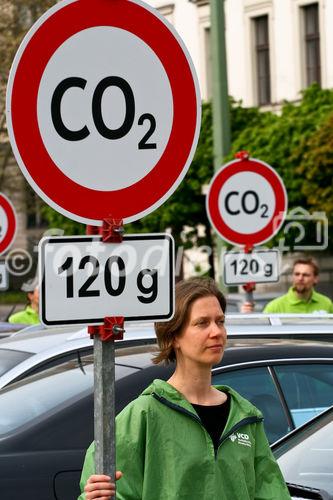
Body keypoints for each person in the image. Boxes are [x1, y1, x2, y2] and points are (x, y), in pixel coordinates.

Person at [79, 277, 291, 499]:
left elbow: (271, 492)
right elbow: (102, 483)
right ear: (173, 337)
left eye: (220, 321)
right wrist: (95, 496)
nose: (216, 332)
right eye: (202, 323)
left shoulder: (245, 416)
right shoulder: (145, 414)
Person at [241, 257, 333, 314]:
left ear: (316, 278)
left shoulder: (327, 304)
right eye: (297, 274)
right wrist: (247, 318)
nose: (300, 278)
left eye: (305, 275)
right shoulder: (275, 307)